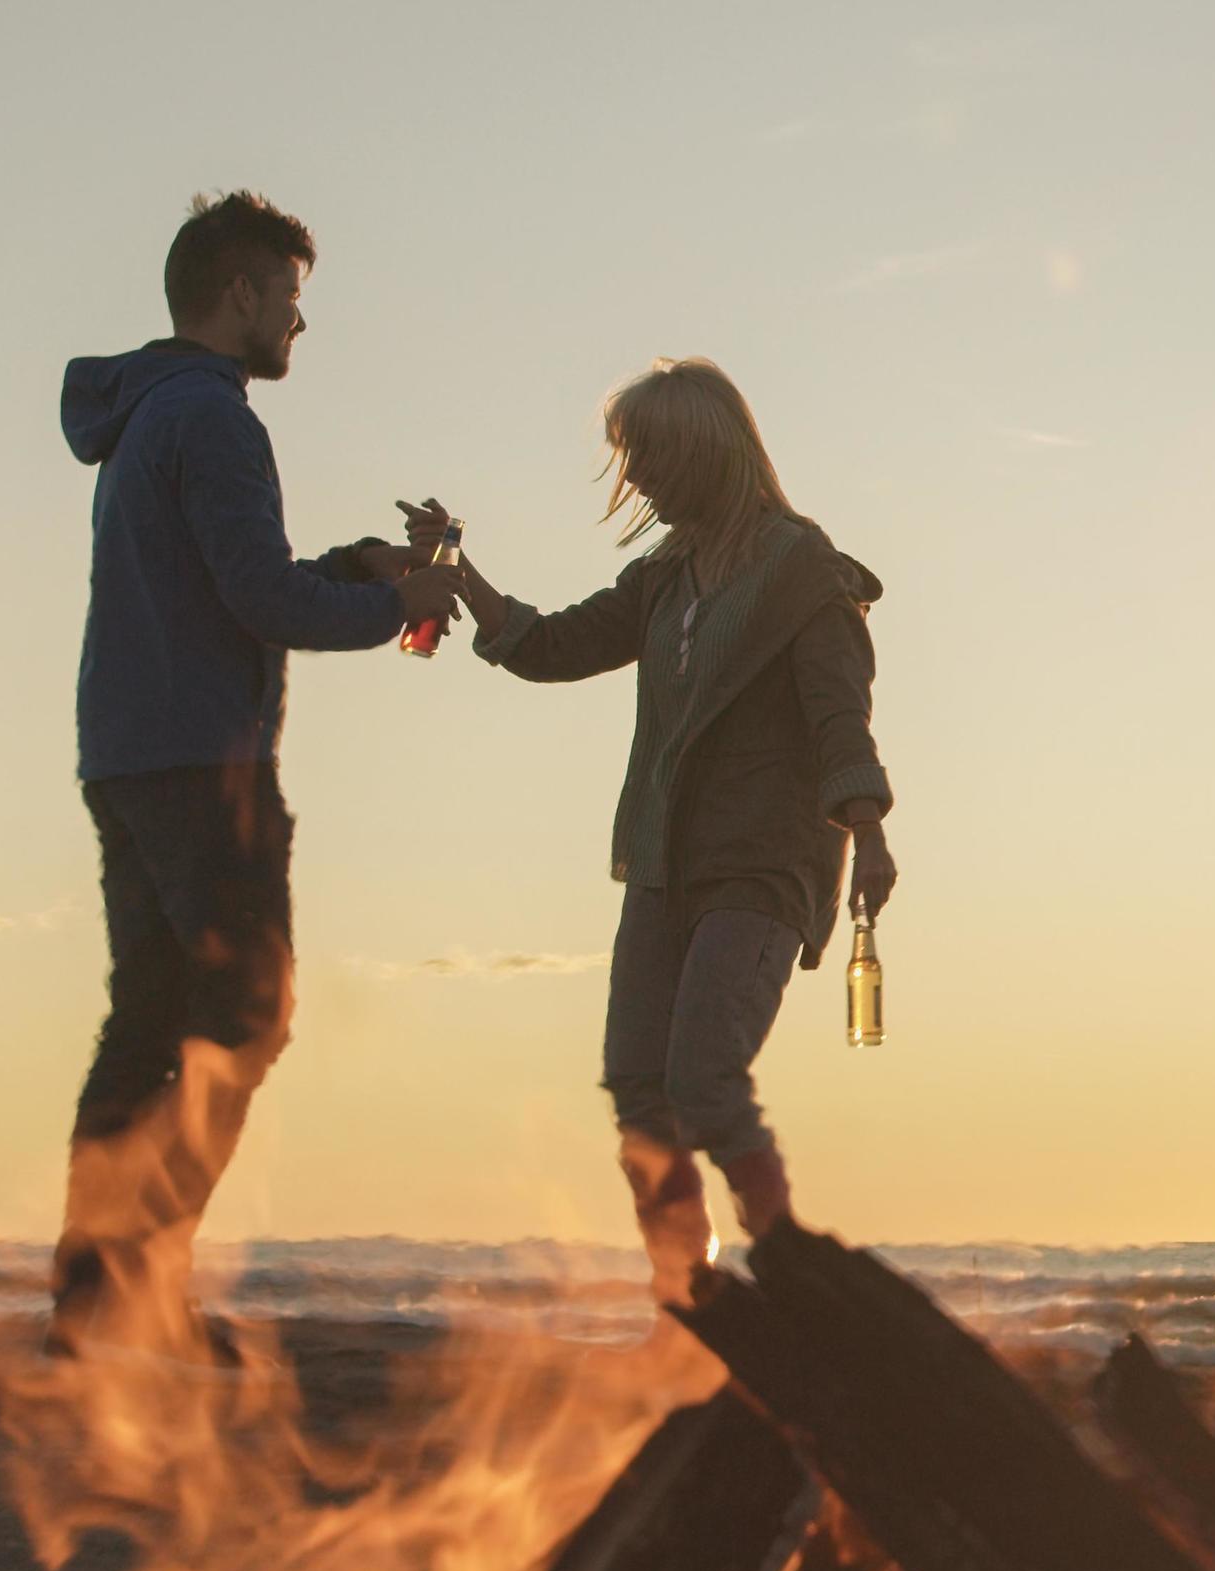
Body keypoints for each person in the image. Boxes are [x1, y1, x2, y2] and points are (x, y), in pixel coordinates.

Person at [52, 190, 457, 1354]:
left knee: (146, 1030)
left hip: (125, 753)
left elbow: (235, 579)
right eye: (290, 297)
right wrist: (397, 602)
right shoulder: (216, 420)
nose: (298, 323)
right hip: (199, 764)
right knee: (244, 1022)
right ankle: (139, 1283)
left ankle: (94, 1307)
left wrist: (358, 564)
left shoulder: (144, 415)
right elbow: (263, 602)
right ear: (241, 294)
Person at [415, 359, 894, 1310]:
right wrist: (456, 575)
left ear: (702, 453)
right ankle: (690, 1296)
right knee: (640, 1088)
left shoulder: (802, 571)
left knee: (705, 1081)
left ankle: (796, 1273)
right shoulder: (663, 579)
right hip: (663, 865)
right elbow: (551, 647)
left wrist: (868, 831)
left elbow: (839, 716)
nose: (637, 482)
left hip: (762, 867)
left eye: (649, 459)